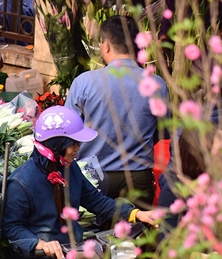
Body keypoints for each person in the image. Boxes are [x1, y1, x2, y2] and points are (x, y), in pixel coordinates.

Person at [1, 106, 157, 259]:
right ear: (55, 145)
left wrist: (135, 214)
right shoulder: (20, 183)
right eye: (72, 143)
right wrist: (40, 244)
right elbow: (12, 229)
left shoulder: (70, 168)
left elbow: (97, 202)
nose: (77, 148)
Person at [65, 15, 169, 207]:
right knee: (136, 234)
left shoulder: (84, 82)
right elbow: (163, 131)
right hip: (138, 180)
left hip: (91, 178)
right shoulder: (157, 85)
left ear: (105, 46)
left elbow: (67, 132)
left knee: (91, 234)